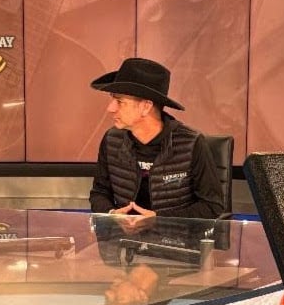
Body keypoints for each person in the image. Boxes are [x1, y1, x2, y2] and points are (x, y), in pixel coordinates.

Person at [89, 57, 226, 219]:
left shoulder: (191, 143)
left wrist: (159, 220)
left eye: (119, 101)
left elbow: (212, 206)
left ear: (146, 107)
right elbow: (99, 192)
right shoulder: (112, 140)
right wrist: (112, 214)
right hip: (123, 234)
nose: (110, 108)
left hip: (174, 235)